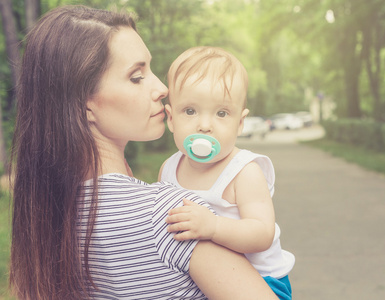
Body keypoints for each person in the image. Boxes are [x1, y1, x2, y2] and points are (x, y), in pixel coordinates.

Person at [9, 6, 278, 300]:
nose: (162, 88)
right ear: (86, 105)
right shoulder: (171, 215)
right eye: (137, 77)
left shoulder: (47, 217)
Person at [160, 46, 295, 299]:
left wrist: (213, 226)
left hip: (262, 280)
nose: (205, 125)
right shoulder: (168, 169)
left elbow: (261, 234)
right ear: (170, 118)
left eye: (221, 113)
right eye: (190, 111)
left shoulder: (244, 172)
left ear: (240, 123)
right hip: (197, 280)